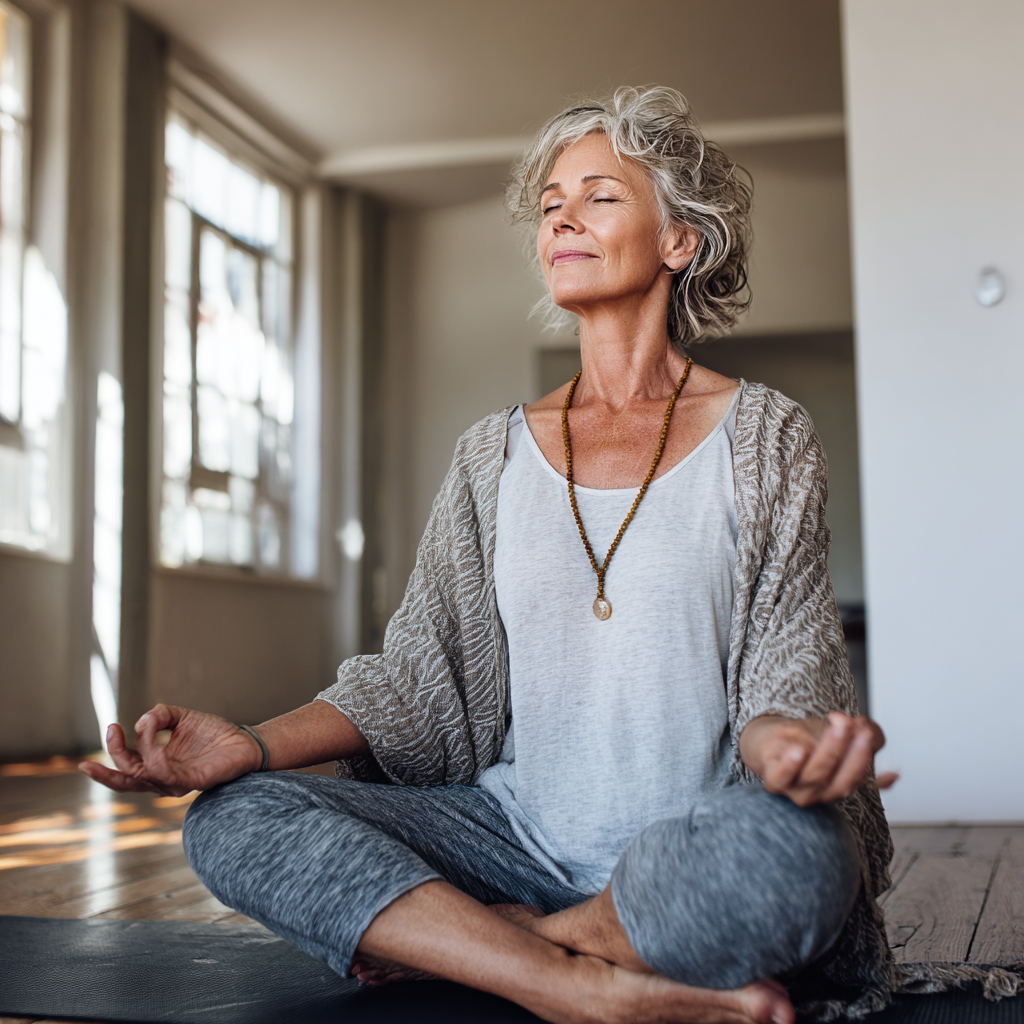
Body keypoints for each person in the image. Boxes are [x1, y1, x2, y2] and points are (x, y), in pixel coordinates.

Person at [80, 87, 899, 1024]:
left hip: (693, 841)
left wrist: (789, 747)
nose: (561, 217)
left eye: (598, 195)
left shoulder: (765, 436)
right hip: (510, 839)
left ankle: (521, 942)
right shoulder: (492, 454)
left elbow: (784, 661)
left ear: (681, 239)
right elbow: (419, 680)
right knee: (233, 819)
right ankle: (567, 982)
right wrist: (255, 745)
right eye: (551, 203)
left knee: (806, 853)